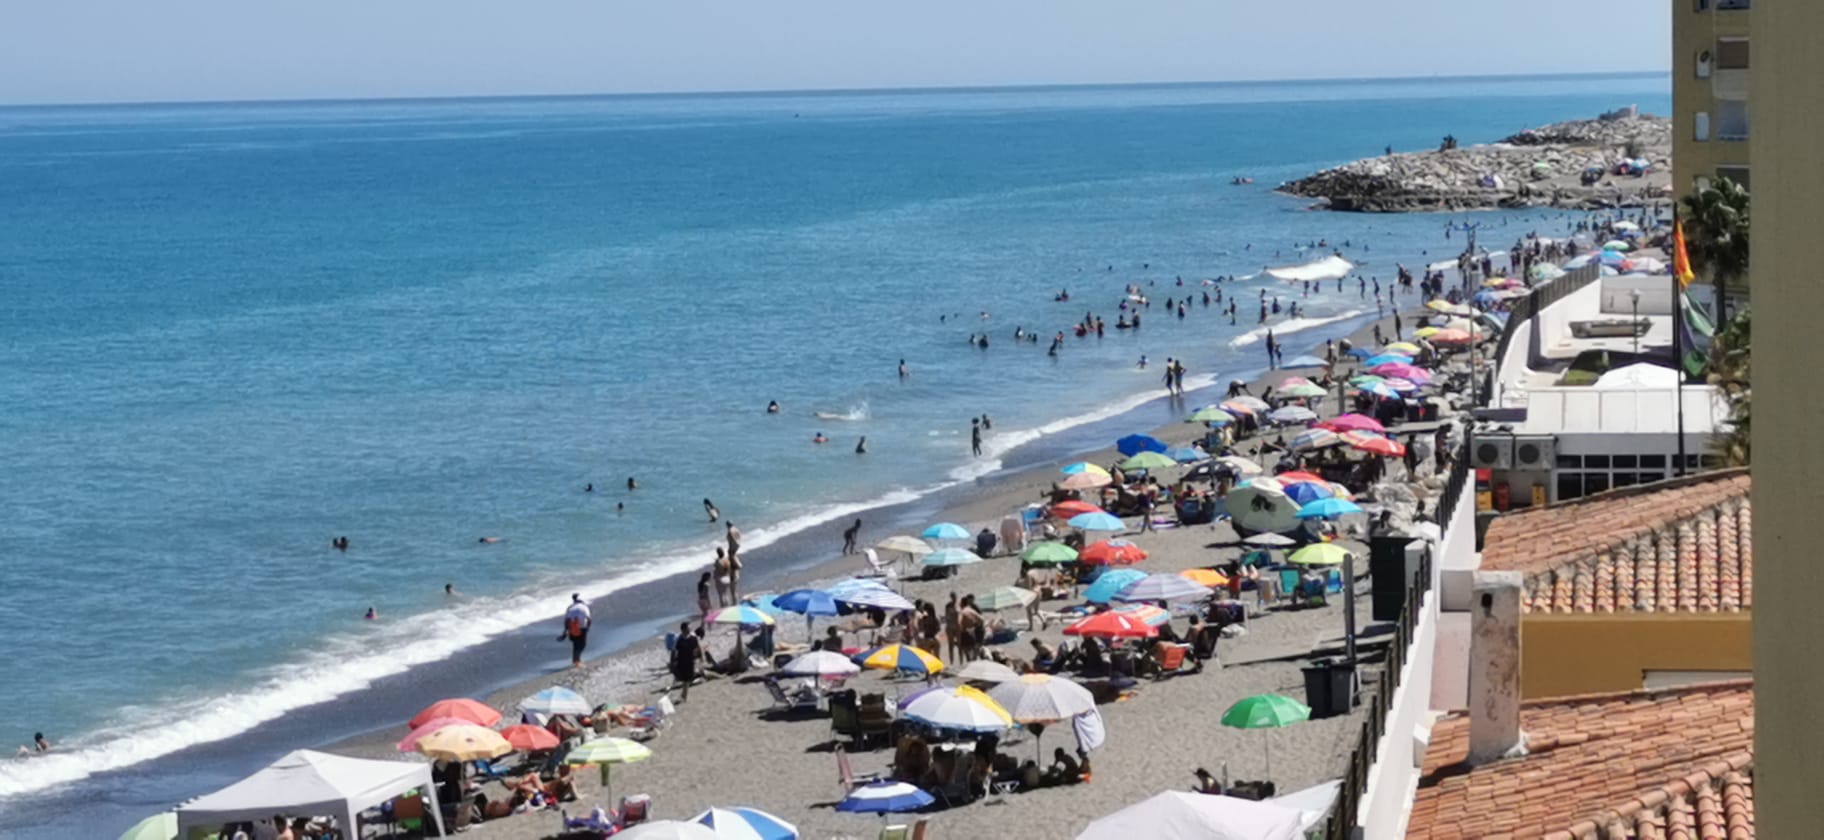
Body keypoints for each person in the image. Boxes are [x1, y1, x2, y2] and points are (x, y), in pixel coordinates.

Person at [670, 621, 708, 700]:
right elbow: (673, 651)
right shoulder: (679, 639)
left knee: (687, 678)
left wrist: (702, 657)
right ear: (683, 629)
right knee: (684, 678)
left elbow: (699, 647)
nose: (690, 628)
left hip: (690, 661)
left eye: (690, 627)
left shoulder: (693, 637)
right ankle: (683, 695)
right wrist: (672, 662)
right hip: (681, 661)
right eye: (689, 627)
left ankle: (683, 695)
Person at [559, 593, 591, 668]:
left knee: (576, 644)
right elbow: (589, 619)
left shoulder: (570, 607)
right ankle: (577, 661)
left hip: (572, 627)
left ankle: (576, 660)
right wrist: (588, 628)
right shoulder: (584, 607)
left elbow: (566, 620)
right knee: (582, 645)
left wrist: (565, 631)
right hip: (582, 627)